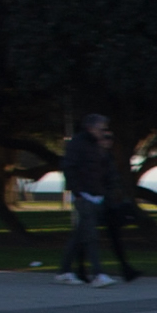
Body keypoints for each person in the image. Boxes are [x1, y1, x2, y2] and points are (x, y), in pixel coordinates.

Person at [58, 114, 114, 286]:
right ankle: (98, 273)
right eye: (101, 128)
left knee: (79, 235)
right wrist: (78, 192)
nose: (104, 132)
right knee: (91, 235)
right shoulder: (77, 144)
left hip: (95, 194)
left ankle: (64, 271)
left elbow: (102, 170)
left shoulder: (98, 146)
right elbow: (69, 167)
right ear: (90, 128)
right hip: (84, 195)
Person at [98, 145, 143, 284]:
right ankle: (76, 269)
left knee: (113, 236)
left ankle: (125, 268)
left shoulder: (107, 156)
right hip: (102, 201)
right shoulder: (98, 156)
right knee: (85, 236)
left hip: (109, 201)